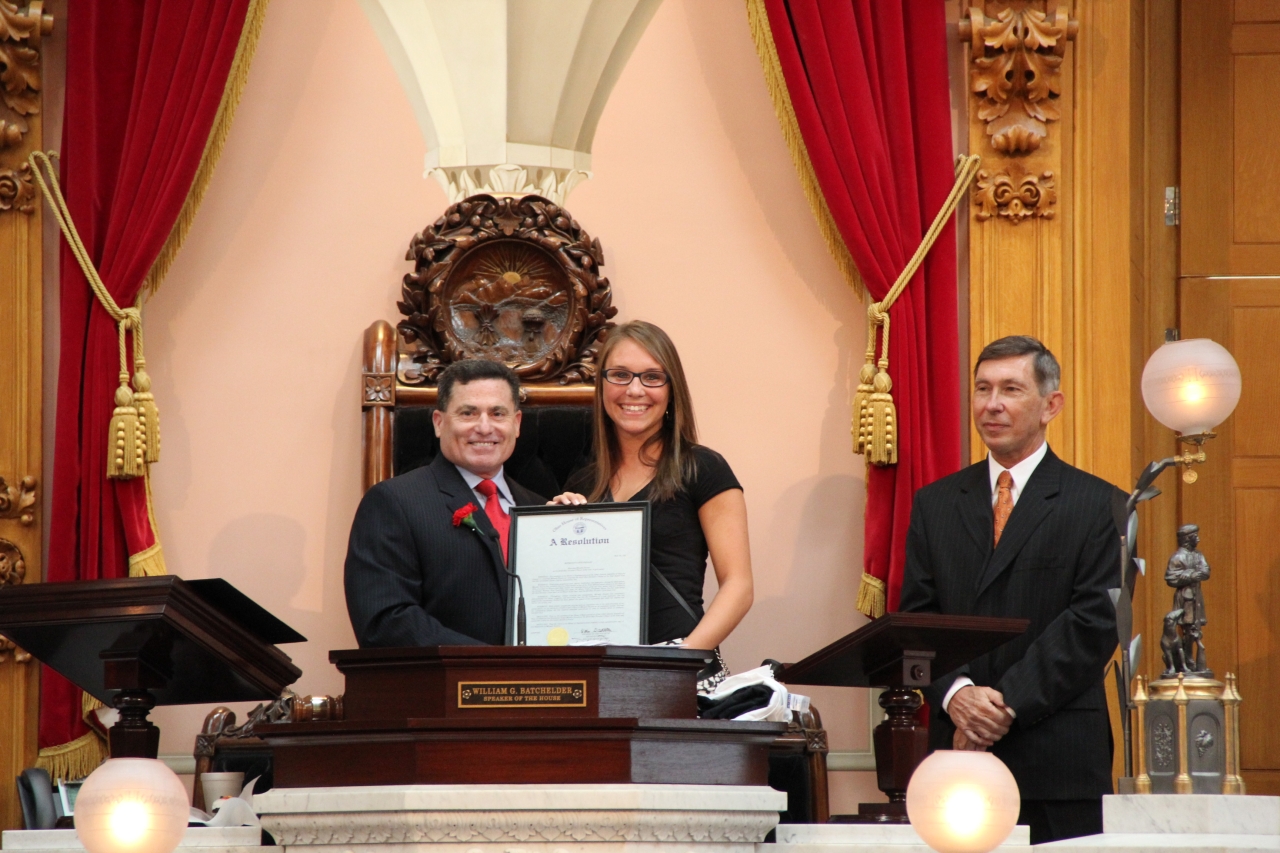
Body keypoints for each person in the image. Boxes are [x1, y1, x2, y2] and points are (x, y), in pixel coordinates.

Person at [899, 335, 1120, 845]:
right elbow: (918, 619)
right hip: (955, 761)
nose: (991, 404)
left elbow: (1093, 625)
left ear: (1050, 405)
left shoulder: (1099, 504)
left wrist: (999, 708)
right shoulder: (935, 504)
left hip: (1058, 757)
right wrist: (957, 697)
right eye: (982, 388)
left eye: (1010, 389)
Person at [551, 321, 753, 662]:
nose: (634, 390)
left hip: (677, 663)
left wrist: (682, 658)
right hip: (597, 666)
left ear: (671, 390)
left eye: (652, 377)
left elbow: (739, 586)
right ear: (601, 386)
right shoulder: (584, 479)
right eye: (620, 375)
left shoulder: (703, 468)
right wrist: (553, 530)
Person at [344, 359, 544, 647]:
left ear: (517, 423)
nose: (485, 428)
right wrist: (495, 667)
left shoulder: (538, 508)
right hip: (442, 688)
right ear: (439, 423)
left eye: (498, 413)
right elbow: (385, 622)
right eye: (468, 413)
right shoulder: (394, 502)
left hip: (548, 684)